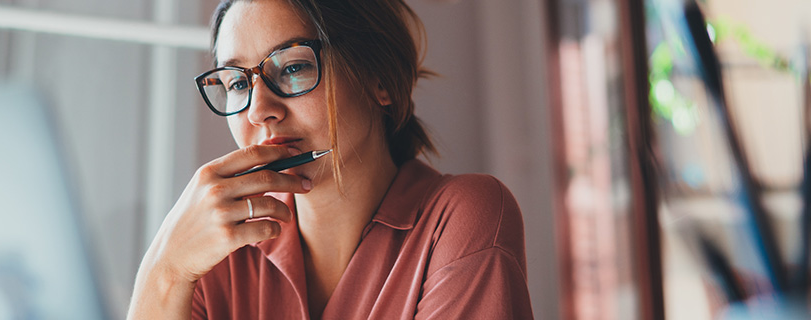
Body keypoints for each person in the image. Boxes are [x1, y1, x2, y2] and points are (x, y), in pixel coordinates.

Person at [128, 0, 533, 318]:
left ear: (380, 79)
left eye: (293, 67)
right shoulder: (220, 252)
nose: (258, 110)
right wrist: (164, 270)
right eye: (237, 83)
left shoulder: (463, 218)